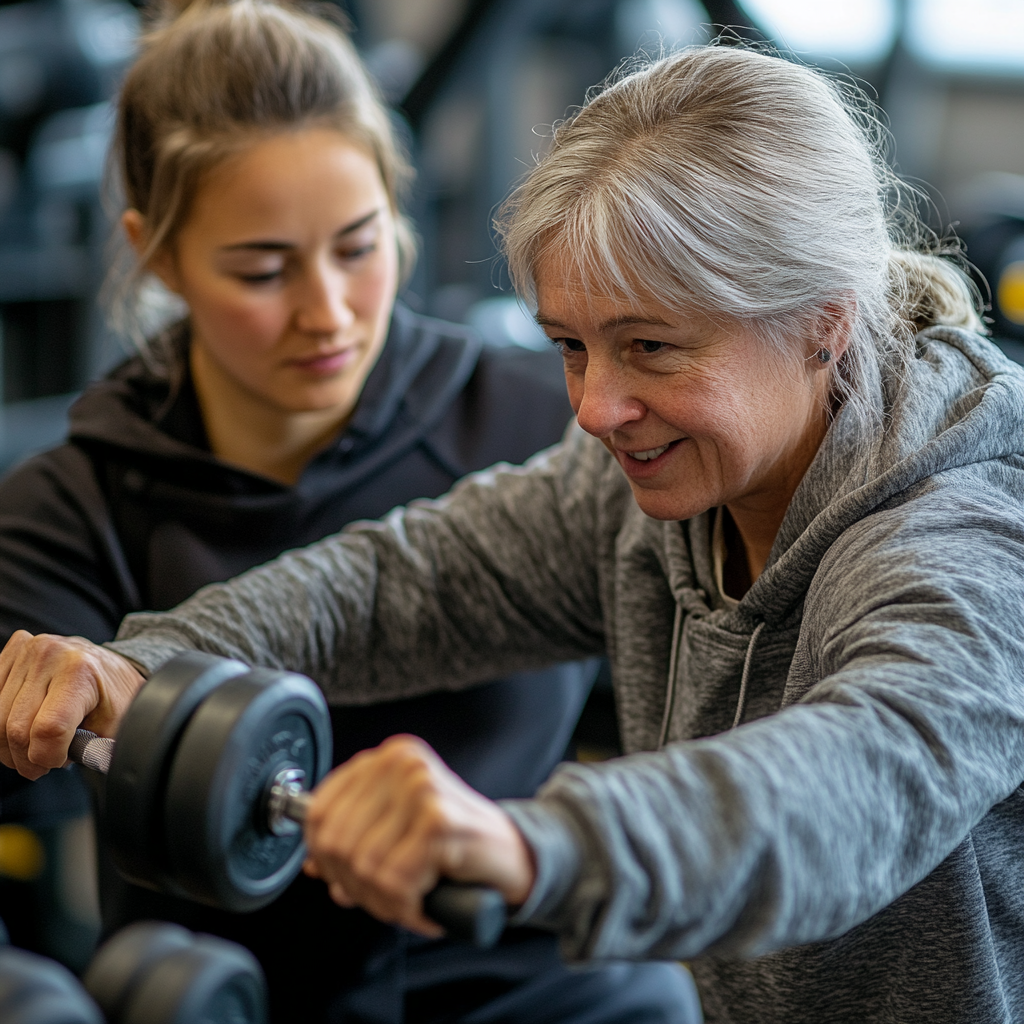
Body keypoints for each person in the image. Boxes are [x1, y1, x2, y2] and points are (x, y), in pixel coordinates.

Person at [3, 41, 1023, 1024]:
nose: (592, 407)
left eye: (651, 347)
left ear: (821, 322)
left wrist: (535, 845)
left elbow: (853, 784)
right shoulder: (646, 483)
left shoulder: (965, 530)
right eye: (572, 347)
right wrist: (145, 660)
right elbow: (404, 583)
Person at [0, 1, 702, 1021]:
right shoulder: (76, 507)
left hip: (545, 986)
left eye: (357, 246)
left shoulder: (560, 419)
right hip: (239, 999)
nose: (326, 310)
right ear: (155, 253)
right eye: (263, 269)